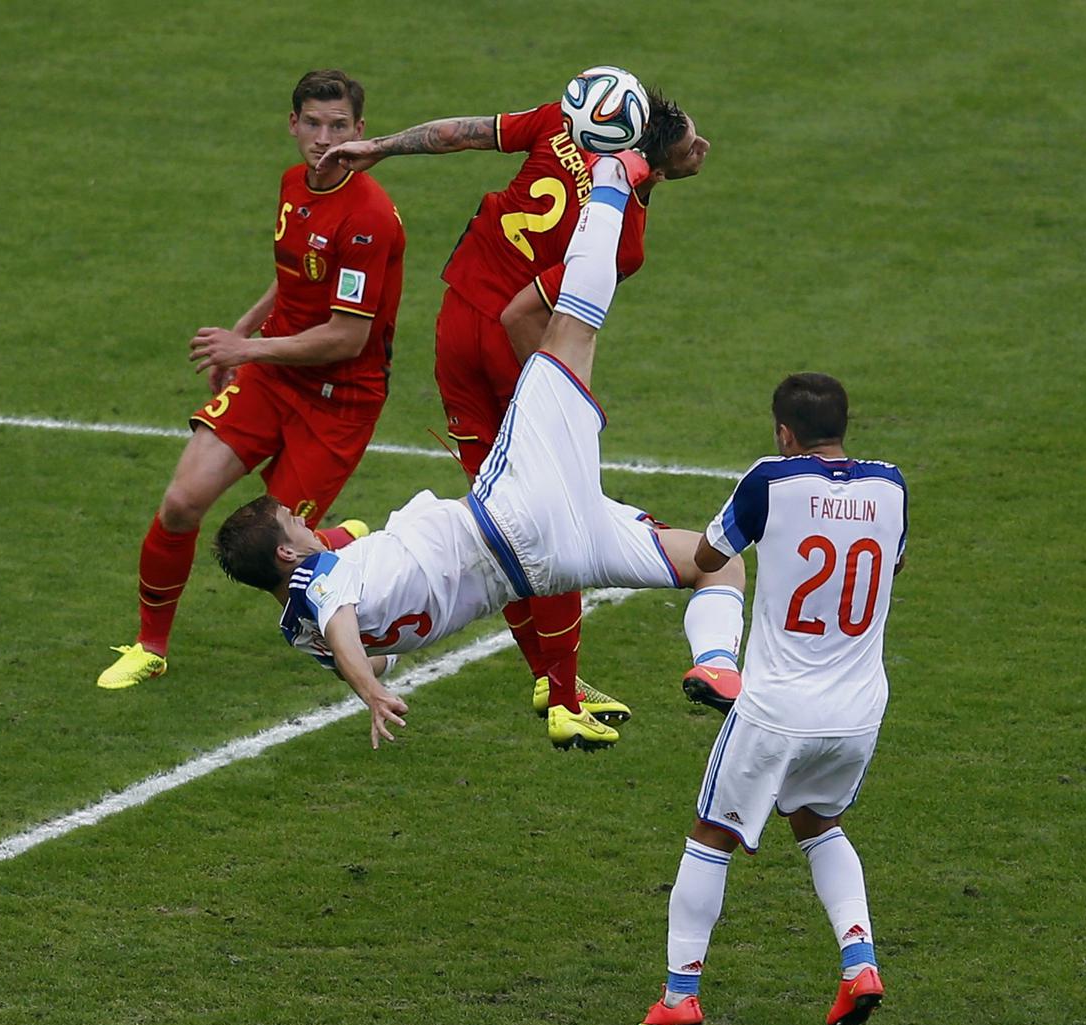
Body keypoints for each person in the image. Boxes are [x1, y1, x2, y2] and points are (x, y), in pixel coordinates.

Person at [212, 153, 745, 753]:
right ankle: (613, 180)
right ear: (286, 553)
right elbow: (342, 624)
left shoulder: (304, 630)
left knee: (715, 560)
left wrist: (364, 645)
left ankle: (718, 667)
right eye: (294, 521)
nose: (306, 520)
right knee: (567, 328)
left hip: (549, 566)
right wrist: (369, 690)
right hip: (511, 514)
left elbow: (364, 643)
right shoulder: (319, 590)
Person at [317, 86, 710, 737]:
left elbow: (464, 132)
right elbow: (524, 312)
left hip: (455, 324)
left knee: (493, 513)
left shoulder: (562, 120)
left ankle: (547, 678)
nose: (704, 148)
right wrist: (553, 399)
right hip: (509, 347)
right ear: (655, 169)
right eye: (693, 145)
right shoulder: (623, 241)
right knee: (551, 518)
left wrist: (380, 146)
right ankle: (564, 699)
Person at [97, 69, 406, 690]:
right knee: (181, 502)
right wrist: (244, 333)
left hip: (338, 401)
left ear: (360, 131)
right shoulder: (294, 184)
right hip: (273, 377)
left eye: (338, 126)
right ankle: (150, 647)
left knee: (278, 558)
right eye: (313, 124)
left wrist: (249, 347)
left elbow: (347, 337)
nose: (324, 139)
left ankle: (346, 559)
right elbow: (295, 276)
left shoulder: (370, 217)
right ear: (293, 124)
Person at [633, 373, 909, 1025]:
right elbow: (892, 564)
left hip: (778, 706)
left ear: (785, 433)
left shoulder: (770, 479)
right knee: (818, 822)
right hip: (857, 710)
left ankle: (679, 994)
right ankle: (860, 962)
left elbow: (709, 554)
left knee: (711, 835)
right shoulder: (891, 485)